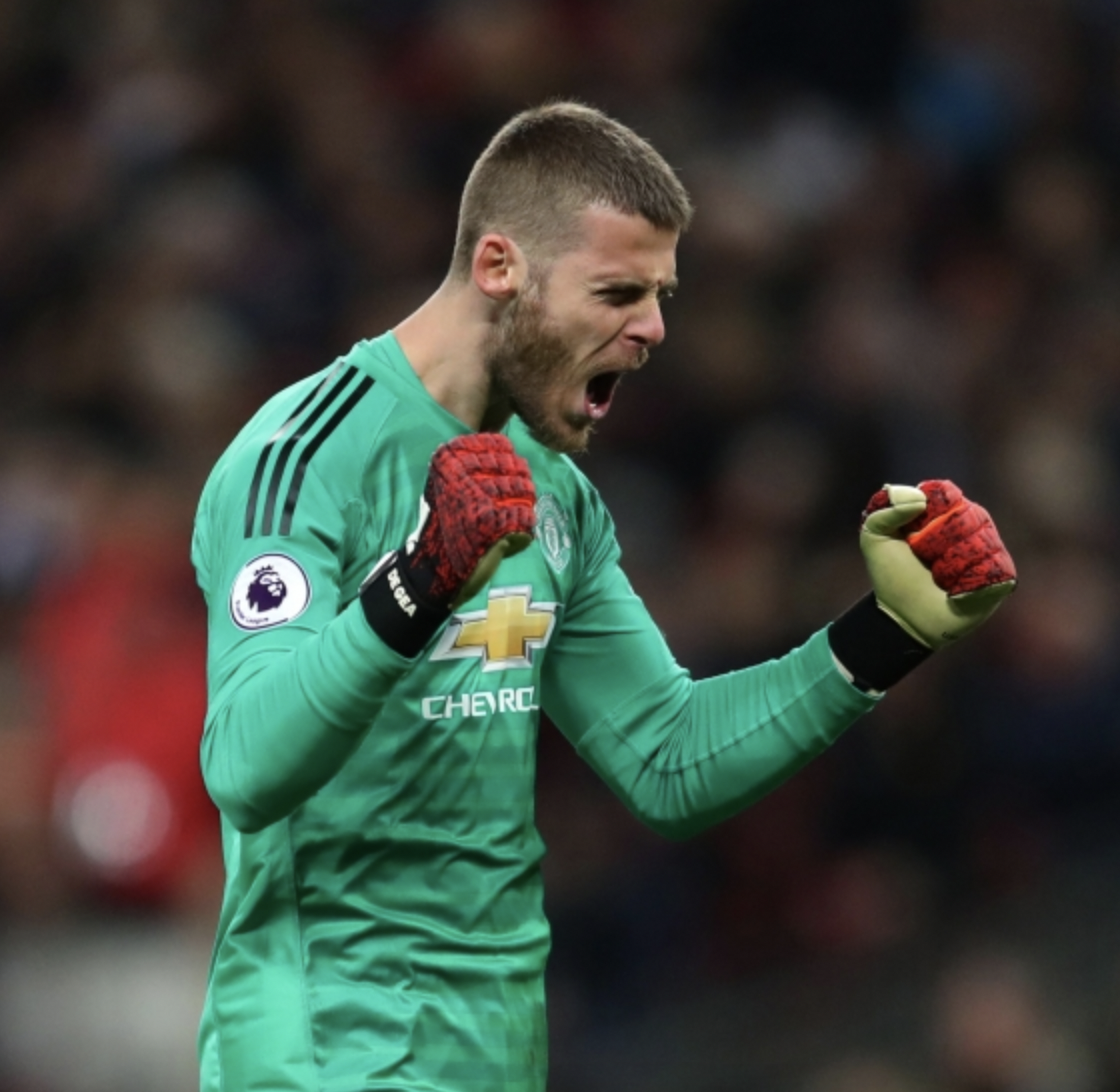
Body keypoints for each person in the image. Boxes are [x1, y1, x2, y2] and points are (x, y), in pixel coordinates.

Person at [191, 101, 1016, 1092]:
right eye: (618, 292)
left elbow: (665, 758)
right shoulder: (303, 457)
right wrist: (415, 582)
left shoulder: (549, 490)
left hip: (494, 1059)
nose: (654, 328)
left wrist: (887, 633)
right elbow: (245, 763)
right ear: (500, 267)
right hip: (324, 1054)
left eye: (660, 294)